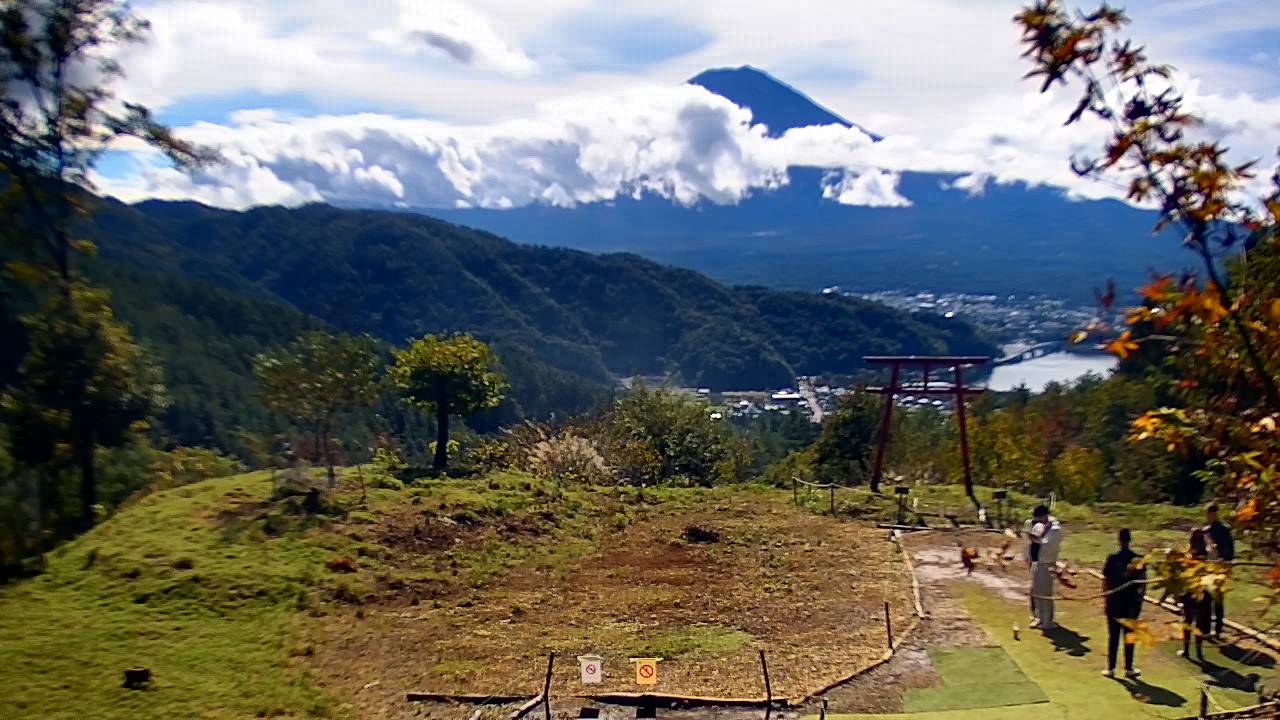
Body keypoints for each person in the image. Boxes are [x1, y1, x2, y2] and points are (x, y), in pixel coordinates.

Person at [1101, 528, 1145, 678]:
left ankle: (1111, 668)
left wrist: (1106, 598)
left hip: (1115, 602)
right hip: (1130, 603)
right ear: (1130, 540)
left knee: (1114, 636)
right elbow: (1142, 584)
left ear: (1119, 540)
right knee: (1128, 636)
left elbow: (1105, 581)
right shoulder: (1137, 559)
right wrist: (1139, 601)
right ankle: (1128, 668)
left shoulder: (1113, 558)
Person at [1179, 528, 1213, 661]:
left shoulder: (1189, 557)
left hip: (1189, 593)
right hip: (1203, 594)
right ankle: (1199, 651)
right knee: (1200, 622)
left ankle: (1186, 650)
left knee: (1187, 620)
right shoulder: (1208, 558)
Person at [1028, 504, 1062, 630]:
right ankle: (1038, 617)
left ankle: (1048, 621)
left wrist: (1037, 540)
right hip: (1037, 562)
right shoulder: (1040, 525)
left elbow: (1050, 545)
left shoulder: (1055, 528)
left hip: (1047, 563)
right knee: (1036, 591)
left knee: (1045, 593)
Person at [1204, 502, 1234, 640]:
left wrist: (1225, 561)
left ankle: (1216, 629)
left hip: (1217, 567)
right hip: (1209, 567)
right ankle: (1212, 628)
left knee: (1216, 600)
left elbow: (1229, 550)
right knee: (1210, 600)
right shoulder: (1206, 530)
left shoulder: (1222, 530)